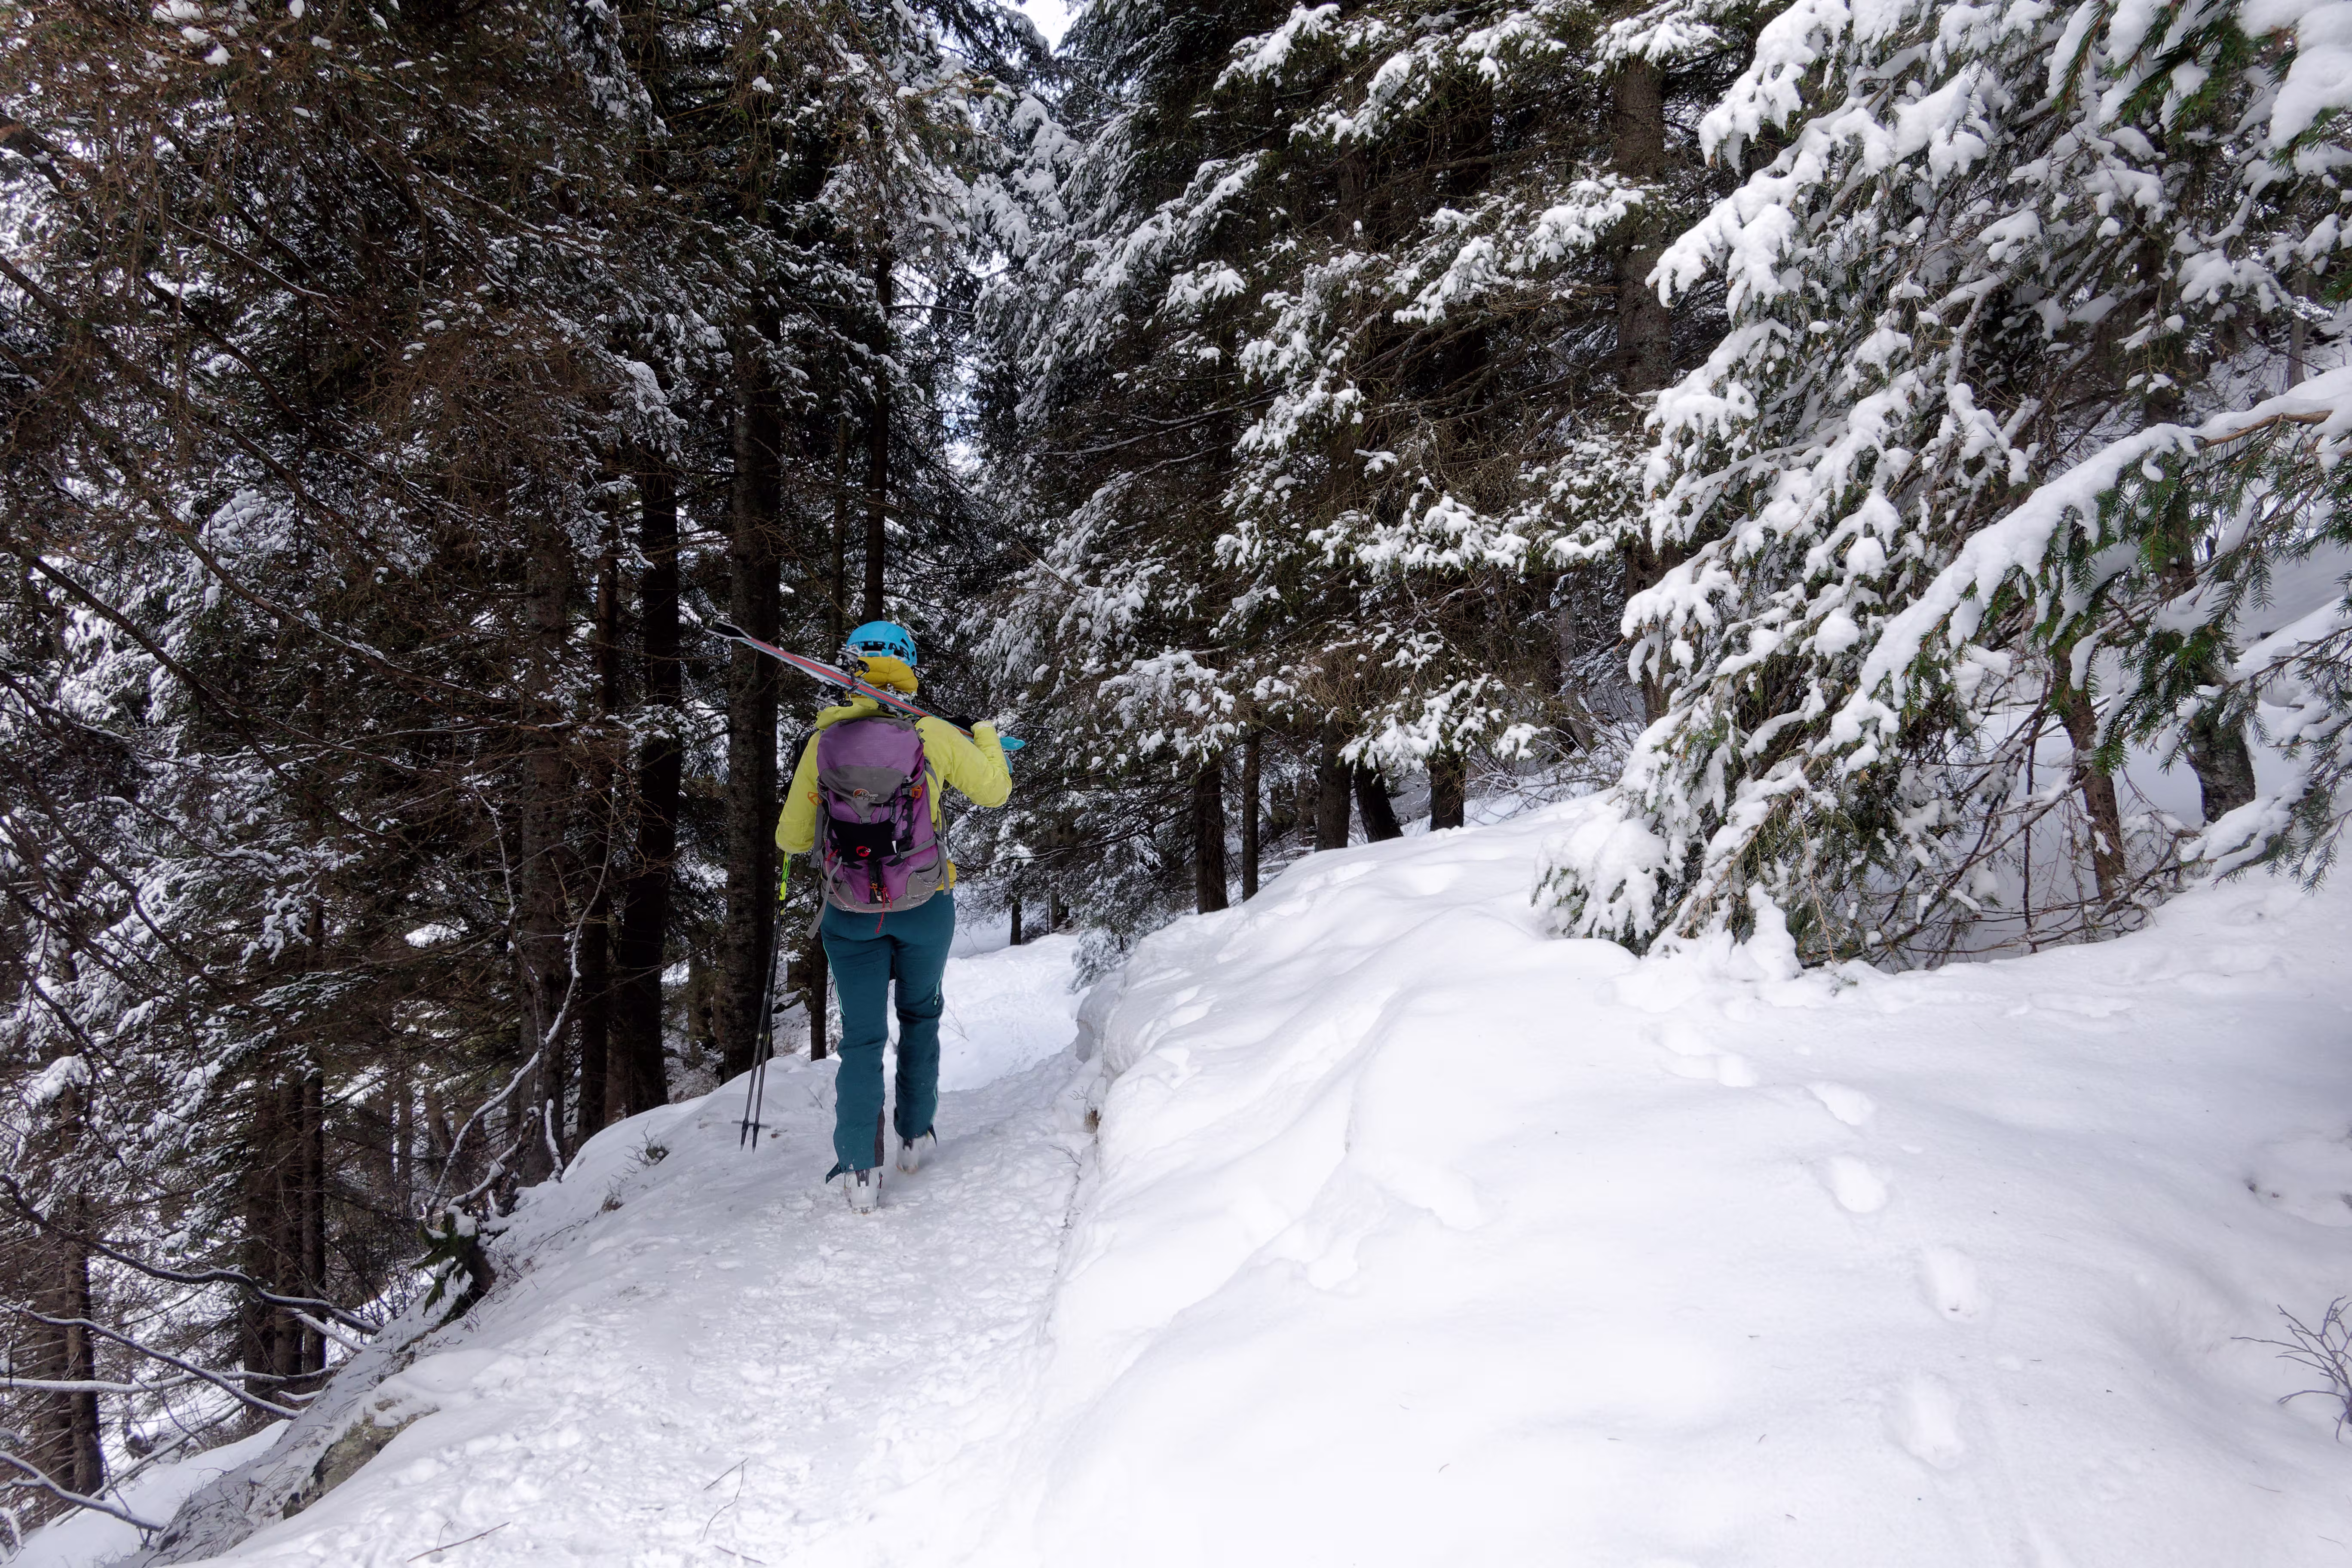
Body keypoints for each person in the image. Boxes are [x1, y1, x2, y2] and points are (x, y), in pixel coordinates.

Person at [774, 621, 1011, 1212]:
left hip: (851, 912)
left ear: (851, 667)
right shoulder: (932, 734)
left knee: (861, 1038)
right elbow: (994, 791)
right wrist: (984, 735)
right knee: (920, 1015)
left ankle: (860, 1168)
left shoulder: (824, 741)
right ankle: (913, 1135)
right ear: (907, 669)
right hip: (924, 905)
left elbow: (792, 838)